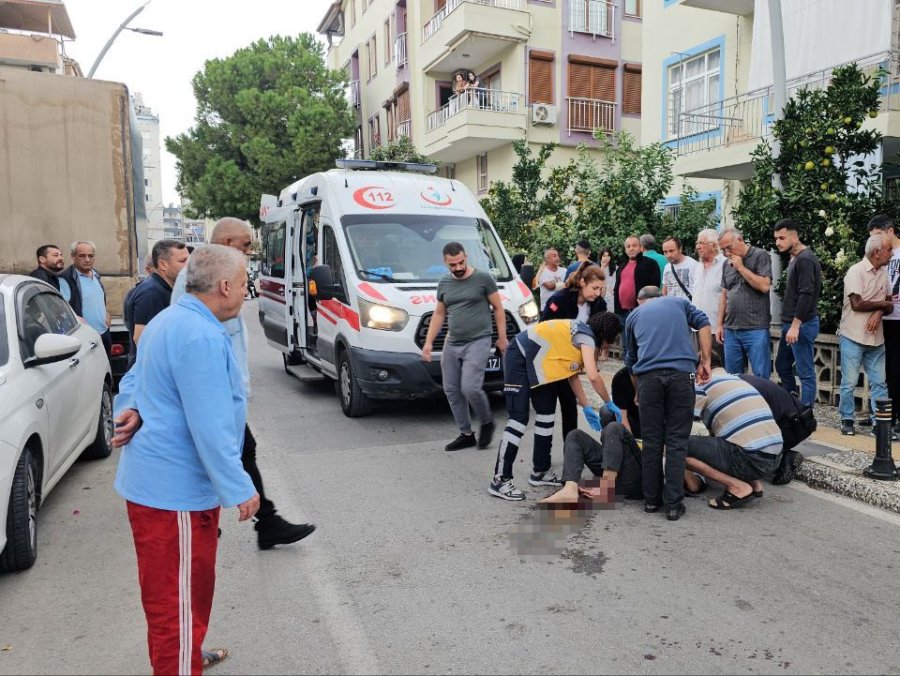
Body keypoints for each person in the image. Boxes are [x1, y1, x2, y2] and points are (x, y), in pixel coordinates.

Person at [111, 244, 260, 675]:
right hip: (173, 495)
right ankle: (180, 662)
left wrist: (135, 404)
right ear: (226, 285)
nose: (247, 291)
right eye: (246, 282)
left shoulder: (173, 319)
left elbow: (138, 377)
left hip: (167, 491)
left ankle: (187, 655)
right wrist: (240, 487)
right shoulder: (199, 334)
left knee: (185, 597)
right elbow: (209, 425)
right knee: (174, 606)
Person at [169, 217, 316, 548]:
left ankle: (255, 522)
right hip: (211, 391)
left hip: (225, 389)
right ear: (225, 243)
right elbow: (193, 342)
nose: (251, 250)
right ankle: (255, 520)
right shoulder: (194, 280)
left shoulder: (224, 275)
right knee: (231, 450)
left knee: (239, 449)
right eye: (245, 244)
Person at [489, 313, 622, 501]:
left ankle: (540, 471)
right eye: (612, 339)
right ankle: (499, 480)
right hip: (519, 355)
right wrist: (608, 402)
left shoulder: (582, 335)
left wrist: (586, 406)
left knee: (546, 416)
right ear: (607, 334)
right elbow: (593, 376)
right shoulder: (587, 338)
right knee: (518, 420)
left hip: (537, 364)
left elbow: (572, 374)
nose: (610, 344)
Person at [622, 286, 712, 521]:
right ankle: (673, 505)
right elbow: (704, 323)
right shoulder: (679, 304)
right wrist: (706, 360)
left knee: (652, 441)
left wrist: (637, 391)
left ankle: (651, 501)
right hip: (682, 377)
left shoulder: (633, 316)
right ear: (661, 295)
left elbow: (631, 360)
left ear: (641, 300)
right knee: (676, 442)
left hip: (648, 380)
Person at [422, 241, 508, 451]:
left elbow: (498, 308)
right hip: (452, 342)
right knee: (451, 389)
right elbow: (439, 313)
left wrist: (502, 338)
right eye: (453, 265)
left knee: (470, 387)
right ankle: (466, 434)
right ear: (445, 262)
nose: (458, 268)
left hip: (478, 340)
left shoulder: (483, 278)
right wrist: (428, 342)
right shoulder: (444, 283)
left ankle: (486, 421)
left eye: (461, 262)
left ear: (465, 256)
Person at [685, 350, 784, 510]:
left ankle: (738, 487)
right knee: (728, 439)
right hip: (776, 456)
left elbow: (686, 425)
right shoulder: (738, 380)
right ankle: (754, 484)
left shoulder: (701, 384)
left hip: (752, 459)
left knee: (674, 446)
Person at [541, 262, 608, 461]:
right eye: (594, 288)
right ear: (581, 282)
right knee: (547, 411)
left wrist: (590, 361)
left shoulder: (598, 305)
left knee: (570, 408)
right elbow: (544, 328)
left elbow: (595, 336)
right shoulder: (560, 300)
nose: (597, 293)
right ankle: (542, 460)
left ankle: (570, 455)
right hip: (553, 359)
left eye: (601, 289)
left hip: (574, 360)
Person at [838, 235, 894, 438]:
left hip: (876, 339)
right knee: (849, 382)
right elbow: (857, 304)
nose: (891, 253)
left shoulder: (884, 273)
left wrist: (879, 311)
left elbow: (889, 302)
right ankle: (847, 419)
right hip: (853, 335)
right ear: (876, 252)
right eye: (888, 249)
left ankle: (879, 423)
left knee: (880, 383)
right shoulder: (856, 271)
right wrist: (882, 305)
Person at [539, 406, 643, 506]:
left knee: (613, 427)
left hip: (638, 473)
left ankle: (606, 488)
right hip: (617, 465)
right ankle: (570, 489)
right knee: (575, 435)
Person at [773, 218, 822, 408]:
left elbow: (806, 294)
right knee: (782, 365)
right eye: (776, 238)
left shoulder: (805, 259)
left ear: (795, 237)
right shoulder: (795, 258)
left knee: (805, 371)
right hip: (792, 324)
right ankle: (792, 405)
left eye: (782, 238)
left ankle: (805, 414)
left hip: (802, 324)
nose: (778, 242)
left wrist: (796, 325)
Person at [740, 371, 815, 486]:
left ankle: (783, 457)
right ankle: (779, 453)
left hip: (796, 425)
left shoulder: (740, 389)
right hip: (796, 420)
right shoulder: (736, 380)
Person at [716, 227, 773, 378]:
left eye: (729, 248)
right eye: (723, 250)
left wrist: (741, 267)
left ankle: (762, 401)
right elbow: (724, 294)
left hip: (755, 328)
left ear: (740, 240)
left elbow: (764, 286)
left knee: (761, 376)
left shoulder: (760, 255)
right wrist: (720, 324)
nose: (727, 253)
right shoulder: (726, 264)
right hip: (731, 329)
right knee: (733, 377)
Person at [125, 239, 189, 367]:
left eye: (189, 260)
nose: (188, 266)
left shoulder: (165, 288)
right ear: (163, 265)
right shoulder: (151, 292)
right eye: (182, 261)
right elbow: (141, 338)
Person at [868, 215, 900, 433]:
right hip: (884, 319)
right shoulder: (879, 256)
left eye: (878, 235)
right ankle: (887, 416)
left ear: (890, 231)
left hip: (898, 318)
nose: (876, 242)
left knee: (897, 370)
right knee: (884, 371)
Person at [60, 240, 111, 355]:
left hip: (104, 333)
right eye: (82, 256)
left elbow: (96, 299)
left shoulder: (96, 274)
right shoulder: (66, 278)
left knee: (107, 370)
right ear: (73, 257)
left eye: (90, 256)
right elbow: (62, 309)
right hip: (84, 338)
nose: (87, 260)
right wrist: (76, 318)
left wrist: (106, 313)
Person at [691, 228, 726, 356]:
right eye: (697, 243)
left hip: (715, 329)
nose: (698, 247)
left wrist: (721, 324)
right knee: (697, 368)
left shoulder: (725, 264)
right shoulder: (698, 266)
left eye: (701, 243)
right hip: (696, 327)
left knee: (716, 368)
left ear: (713, 245)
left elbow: (727, 296)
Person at [613, 235, 660, 324]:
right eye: (628, 246)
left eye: (634, 245)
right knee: (625, 337)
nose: (631, 249)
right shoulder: (621, 266)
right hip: (622, 313)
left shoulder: (650, 264)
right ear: (625, 250)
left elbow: (655, 289)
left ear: (641, 247)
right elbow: (617, 287)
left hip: (641, 311)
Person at [598, 247, 617, 311]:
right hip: (600, 297)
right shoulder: (597, 268)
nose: (606, 258)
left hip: (612, 298)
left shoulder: (615, 268)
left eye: (608, 255)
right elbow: (598, 280)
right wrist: (602, 267)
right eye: (604, 256)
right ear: (601, 257)